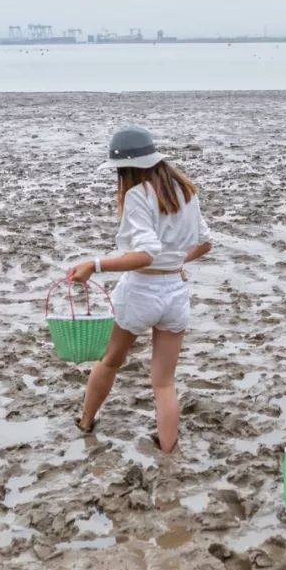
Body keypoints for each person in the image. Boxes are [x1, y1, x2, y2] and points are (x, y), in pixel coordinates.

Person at [68, 127, 213, 452]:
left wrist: (95, 264)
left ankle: (86, 421)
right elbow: (206, 242)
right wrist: (176, 263)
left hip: (140, 292)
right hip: (175, 293)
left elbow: (145, 253)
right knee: (164, 382)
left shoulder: (137, 195)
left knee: (109, 361)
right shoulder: (185, 190)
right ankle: (168, 450)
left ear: (128, 168)